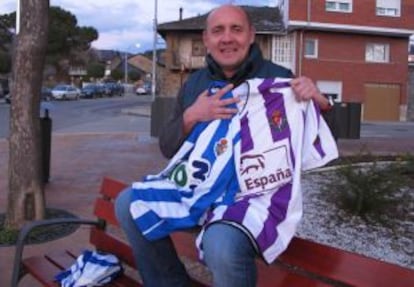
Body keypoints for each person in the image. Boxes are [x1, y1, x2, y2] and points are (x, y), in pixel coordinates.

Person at [115, 4, 336, 287]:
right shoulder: (194, 84)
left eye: (236, 29)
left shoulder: (280, 80)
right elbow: (168, 147)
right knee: (128, 203)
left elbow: (330, 140)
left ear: (251, 35)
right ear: (206, 40)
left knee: (220, 243)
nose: (227, 38)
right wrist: (193, 115)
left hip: (251, 198)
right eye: (218, 31)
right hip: (199, 189)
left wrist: (320, 101)